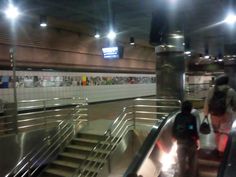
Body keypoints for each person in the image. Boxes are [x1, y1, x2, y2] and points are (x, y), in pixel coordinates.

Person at [204, 74, 236, 156]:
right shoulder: (231, 91)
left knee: (217, 132)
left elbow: (207, 102)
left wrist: (206, 114)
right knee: (224, 133)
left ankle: (217, 148)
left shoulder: (212, 90)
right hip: (226, 115)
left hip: (214, 115)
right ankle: (221, 151)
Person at [172, 100, 199, 177]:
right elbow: (193, 130)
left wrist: (174, 137)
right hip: (190, 142)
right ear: (190, 108)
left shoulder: (178, 116)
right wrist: (197, 139)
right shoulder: (192, 117)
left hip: (180, 142)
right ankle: (192, 175)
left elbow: (174, 127)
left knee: (181, 162)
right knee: (192, 161)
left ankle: (182, 175)